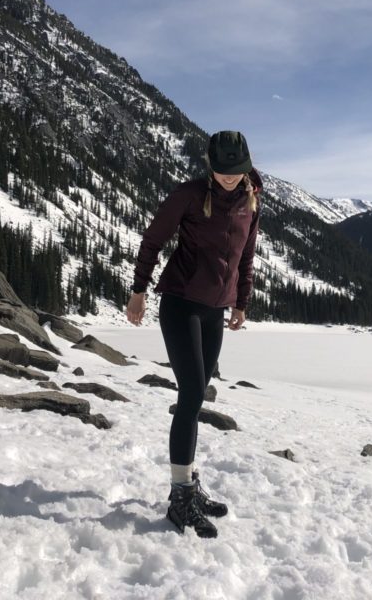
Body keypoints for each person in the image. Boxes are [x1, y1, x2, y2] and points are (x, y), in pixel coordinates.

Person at [126, 130, 262, 538]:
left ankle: (188, 479)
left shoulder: (250, 200)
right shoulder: (188, 194)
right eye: (220, 171)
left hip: (215, 310)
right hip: (181, 303)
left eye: (234, 172)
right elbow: (152, 239)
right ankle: (180, 495)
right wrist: (138, 291)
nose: (227, 178)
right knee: (188, 396)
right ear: (210, 165)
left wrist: (242, 301)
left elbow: (247, 253)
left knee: (198, 395)